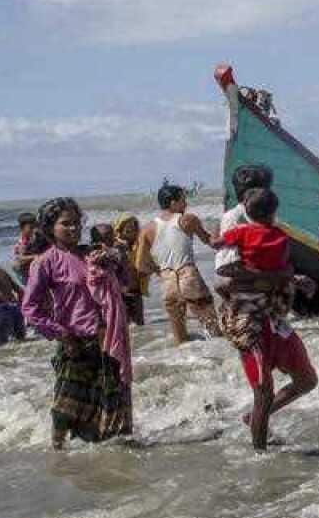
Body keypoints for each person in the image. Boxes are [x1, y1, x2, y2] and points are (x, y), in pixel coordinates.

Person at [21, 198, 131, 448]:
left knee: (112, 406)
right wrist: (61, 335)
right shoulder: (46, 262)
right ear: (50, 228)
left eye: (76, 223)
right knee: (65, 410)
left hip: (108, 341)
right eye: (65, 224)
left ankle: (116, 459)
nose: (73, 228)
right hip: (75, 343)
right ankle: (58, 455)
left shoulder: (92, 254)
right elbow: (30, 309)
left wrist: (116, 259)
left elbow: (125, 281)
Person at [216, 187, 318, 450]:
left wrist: (291, 278)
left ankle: (255, 419)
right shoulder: (233, 224)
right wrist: (279, 276)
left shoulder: (271, 234)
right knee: (263, 391)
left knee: (307, 380)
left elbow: (274, 269)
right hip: (248, 320)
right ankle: (260, 456)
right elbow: (226, 275)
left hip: (274, 317)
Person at [139, 181, 221, 345]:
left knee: (180, 338)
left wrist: (160, 271)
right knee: (213, 329)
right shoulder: (187, 220)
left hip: (168, 282)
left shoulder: (147, 229)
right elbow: (212, 242)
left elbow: (141, 264)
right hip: (189, 277)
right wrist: (221, 226)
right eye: (183, 200)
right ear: (173, 203)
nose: (186, 204)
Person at [87, 223, 134, 422]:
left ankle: (119, 417)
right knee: (108, 366)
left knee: (115, 364)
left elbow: (128, 280)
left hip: (114, 314)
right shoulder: (94, 256)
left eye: (110, 236)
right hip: (101, 319)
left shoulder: (114, 257)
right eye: (104, 237)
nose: (108, 240)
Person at [112, 215, 147, 326]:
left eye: (134, 228)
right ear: (119, 230)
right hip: (122, 293)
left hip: (136, 291)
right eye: (128, 229)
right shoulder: (117, 247)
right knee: (124, 324)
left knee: (139, 323)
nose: (132, 231)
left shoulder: (137, 246)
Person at [11, 212, 45, 284]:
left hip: (27, 266)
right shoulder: (22, 242)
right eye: (31, 228)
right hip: (21, 270)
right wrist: (35, 256)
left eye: (35, 226)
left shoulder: (33, 235)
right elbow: (20, 258)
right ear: (22, 228)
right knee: (31, 287)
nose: (34, 230)